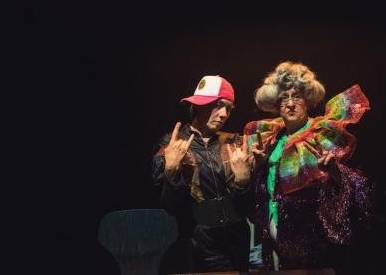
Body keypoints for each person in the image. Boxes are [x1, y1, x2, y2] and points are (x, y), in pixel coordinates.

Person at [244, 62, 373, 271]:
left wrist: (334, 172)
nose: (290, 104)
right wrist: (258, 166)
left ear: (308, 101)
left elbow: (358, 189)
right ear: (276, 106)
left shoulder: (323, 133)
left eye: (296, 97)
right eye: (283, 99)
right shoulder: (271, 139)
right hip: (274, 232)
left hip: (311, 240)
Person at [151, 75, 253, 273]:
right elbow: (169, 207)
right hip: (197, 243)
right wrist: (171, 172)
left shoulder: (234, 142)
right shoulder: (172, 145)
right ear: (198, 106)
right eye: (218, 105)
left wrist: (243, 181)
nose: (224, 114)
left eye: (229, 108)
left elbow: (249, 207)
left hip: (236, 241)